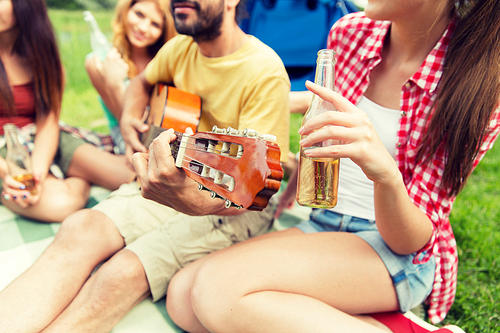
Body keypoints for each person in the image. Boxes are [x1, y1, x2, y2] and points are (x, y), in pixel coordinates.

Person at [164, 0, 500, 332]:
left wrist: (385, 175)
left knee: (218, 290)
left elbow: (410, 241)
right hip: (324, 222)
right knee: (182, 296)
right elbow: (322, 109)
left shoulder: (477, 83)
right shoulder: (351, 33)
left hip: (397, 252)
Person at [0, 0, 290, 330]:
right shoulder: (180, 48)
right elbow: (139, 84)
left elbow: (251, 192)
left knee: (123, 271)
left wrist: (192, 201)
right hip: (175, 178)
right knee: (80, 229)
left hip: (233, 206)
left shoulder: (264, 71)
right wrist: (127, 118)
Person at [0, 0, 136, 223]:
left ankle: (71, 173)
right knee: (60, 204)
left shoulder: (42, 57)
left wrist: (38, 173)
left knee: (130, 174)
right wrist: (9, 173)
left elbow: (48, 121)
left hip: (44, 136)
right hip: (4, 149)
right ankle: (79, 178)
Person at [85, 0, 177, 154]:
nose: (143, 28)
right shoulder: (98, 61)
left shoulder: (164, 61)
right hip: (127, 141)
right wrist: (115, 85)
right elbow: (128, 125)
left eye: (155, 24)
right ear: (126, 10)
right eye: (139, 14)